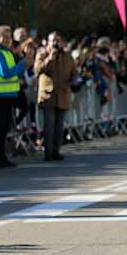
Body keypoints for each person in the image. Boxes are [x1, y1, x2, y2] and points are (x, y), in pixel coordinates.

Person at [35, 31, 79, 162]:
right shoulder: (42, 54)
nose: (55, 43)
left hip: (63, 96)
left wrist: (73, 81)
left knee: (59, 127)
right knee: (49, 126)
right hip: (48, 96)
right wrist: (50, 58)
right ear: (48, 42)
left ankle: (56, 151)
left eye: (58, 40)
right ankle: (48, 153)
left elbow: (74, 73)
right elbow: (38, 70)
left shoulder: (67, 57)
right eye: (53, 40)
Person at [0, 25, 26, 168]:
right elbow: (5, 73)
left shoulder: (6, 51)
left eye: (10, 37)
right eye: (6, 37)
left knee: (4, 127)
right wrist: (21, 66)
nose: (9, 40)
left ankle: (1, 157)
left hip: (8, 93)